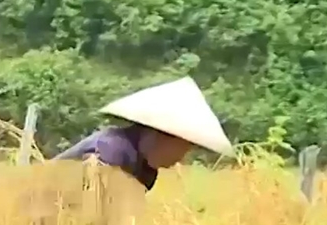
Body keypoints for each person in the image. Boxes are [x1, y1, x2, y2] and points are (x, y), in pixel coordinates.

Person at [54, 76, 233, 190]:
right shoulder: (110, 151)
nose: (179, 159)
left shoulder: (146, 173)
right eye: (182, 149)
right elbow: (89, 213)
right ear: (160, 135)